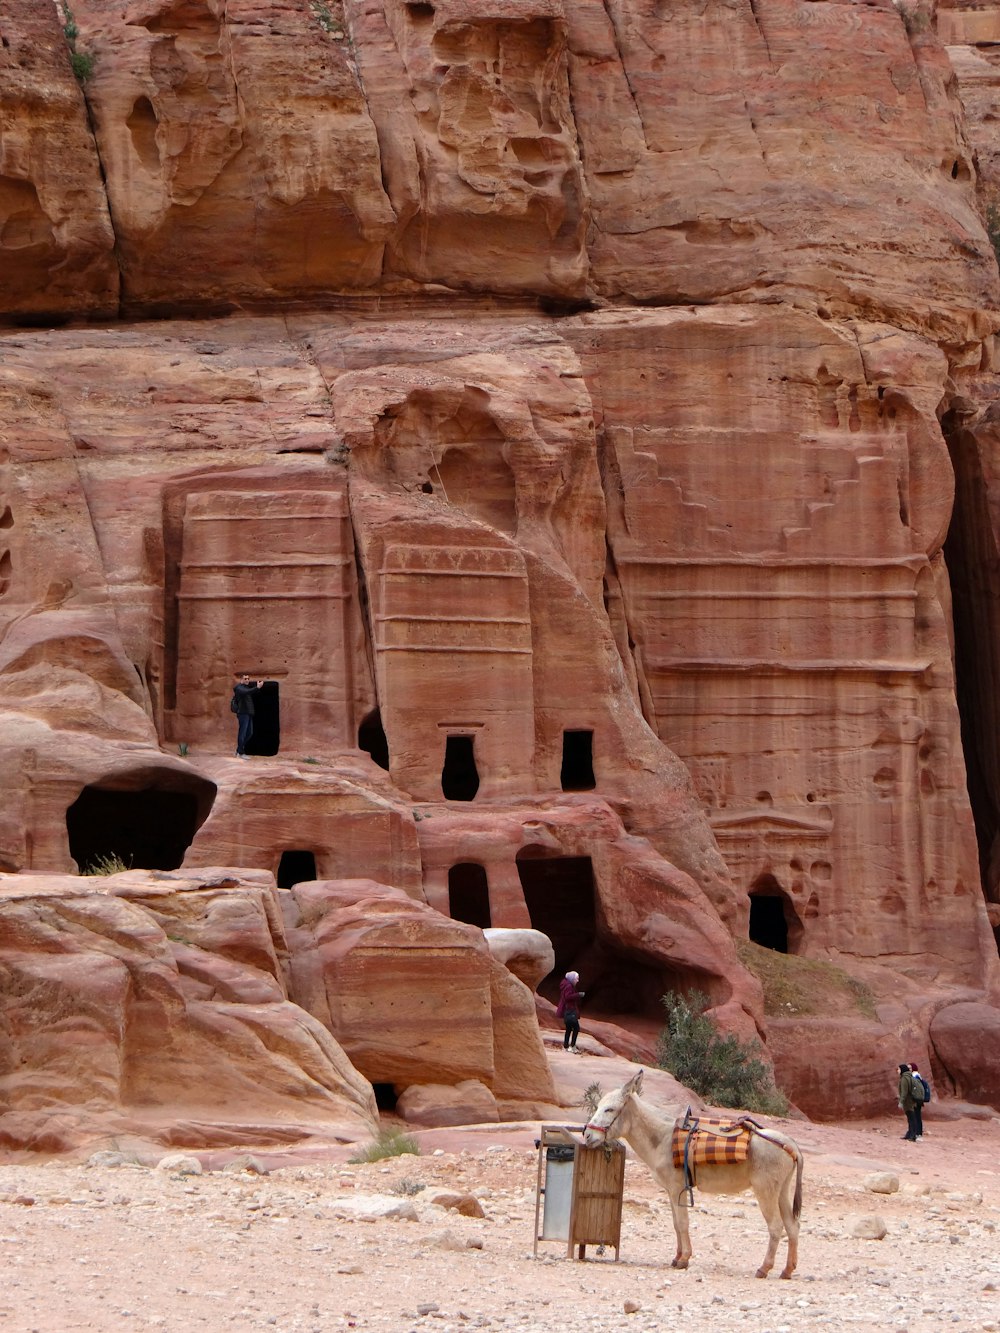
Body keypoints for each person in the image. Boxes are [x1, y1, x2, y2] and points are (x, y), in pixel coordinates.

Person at [232, 673, 264, 759]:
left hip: (248, 713)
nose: (247, 680)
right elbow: (246, 692)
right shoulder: (239, 688)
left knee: (249, 733)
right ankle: (240, 753)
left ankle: (238, 750)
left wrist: (257, 689)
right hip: (243, 713)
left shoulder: (246, 688)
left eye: (248, 679)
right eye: (245, 678)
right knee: (242, 733)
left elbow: (250, 692)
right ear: (241, 680)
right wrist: (257, 687)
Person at [556, 970, 585, 1052]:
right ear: (572, 979)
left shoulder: (567, 985)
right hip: (570, 1011)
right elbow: (567, 997)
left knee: (569, 1029)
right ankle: (572, 1046)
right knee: (576, 1028)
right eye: (577, 979)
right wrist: (578, 995)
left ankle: (566, 1046)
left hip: (568, 1010)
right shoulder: (569, 986)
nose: (577, 980)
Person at [897, 1062, 920, 1141]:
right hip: (911, 1100)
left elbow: (904, 1092)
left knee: (911, 1118)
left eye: (899, 1069)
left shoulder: (904, 1078)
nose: (898, 1071)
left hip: (908, 1102)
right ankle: (910, 1134)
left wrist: (901, 1102)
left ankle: (912, 1135)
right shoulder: (909, 1076)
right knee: (911, 1118)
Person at [909, 1061, 928, 1140]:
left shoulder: (915, 1077)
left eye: (910, 1068)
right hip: (918, 1099)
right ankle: (916, 1133)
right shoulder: (917, 1076)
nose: (908, 1069)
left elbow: (916, 1089)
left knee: (916, 1116)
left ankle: (918, 1134)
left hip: (916, 1100)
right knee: (916, 1116)